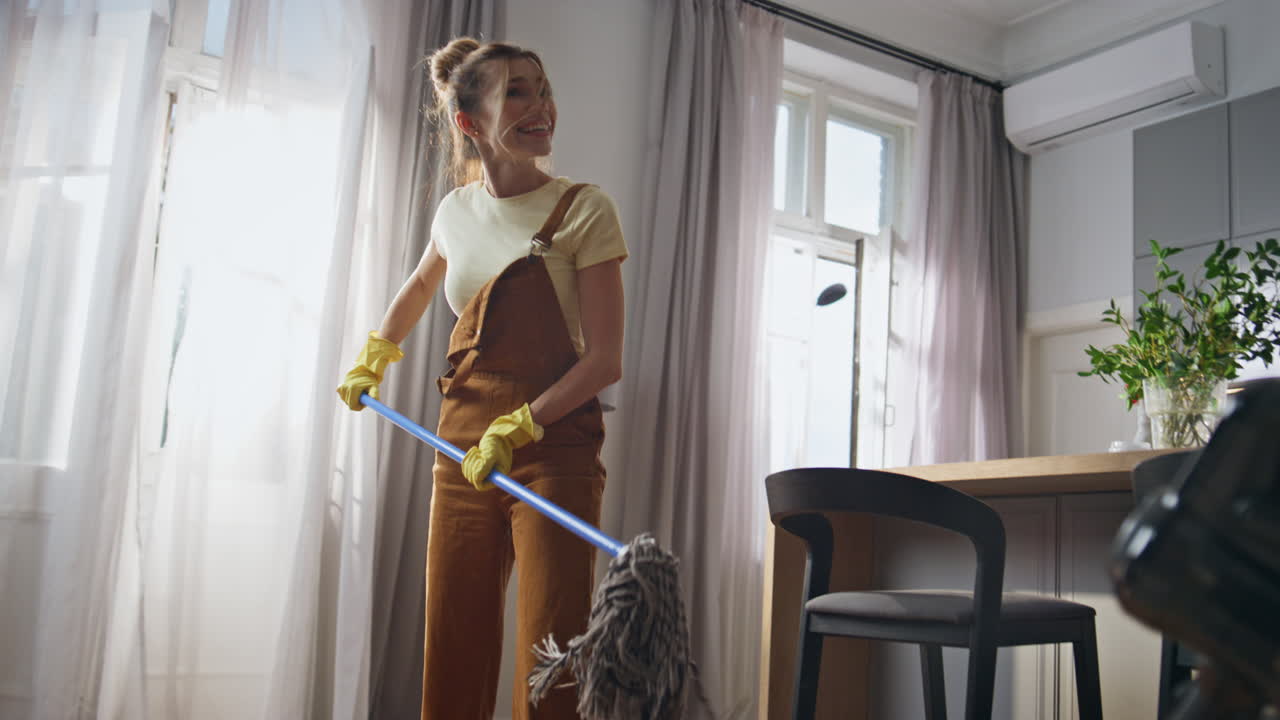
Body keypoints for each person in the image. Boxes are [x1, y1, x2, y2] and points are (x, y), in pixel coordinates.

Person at [336, 38, 627, 720]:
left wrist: (525, 424)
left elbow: (605, 359)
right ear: (470, 122)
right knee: (453, 644)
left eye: (543, 87)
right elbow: (416, 287)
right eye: (517, 92)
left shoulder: (583, 210)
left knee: (550, 658)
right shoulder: (456, 212)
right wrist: (375, 353)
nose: (541, 106)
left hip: (553, 452)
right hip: (459, 446)